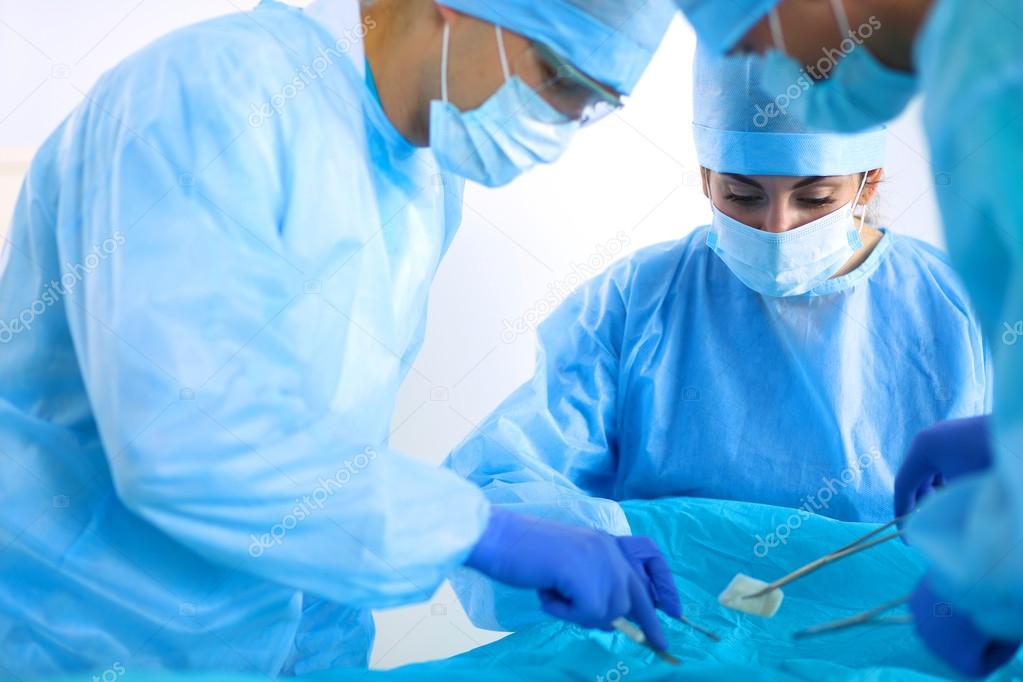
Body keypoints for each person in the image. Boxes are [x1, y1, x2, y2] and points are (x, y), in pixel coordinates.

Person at [0, 0, 681, 676]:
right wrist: (482, 533)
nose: (562, 125)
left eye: (595, 105)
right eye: (562, 78)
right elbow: (185, 442)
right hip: (69, 645)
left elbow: (326, 461)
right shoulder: (210, 94)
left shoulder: (421, 179)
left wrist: (325, 660)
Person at [444, 45, 989, 632]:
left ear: (867, 181)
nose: (777, 226)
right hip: (666, 644)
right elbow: (501, 480)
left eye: (815, 198)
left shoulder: (964, 310)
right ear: (705, 178)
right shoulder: (637, 302)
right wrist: (580, 547)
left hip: (889, 649)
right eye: (742, 195)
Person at [675, 0, 1023, 675]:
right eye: (742, 195)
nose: (760, 72)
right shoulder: (979, 60)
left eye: (751, 40)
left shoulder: (994, 67)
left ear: (866, 184)